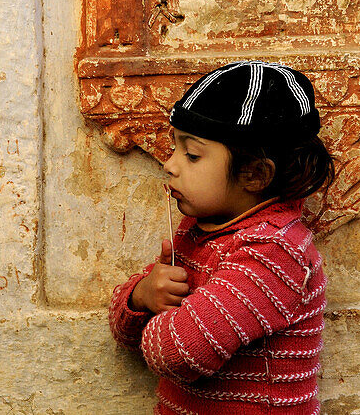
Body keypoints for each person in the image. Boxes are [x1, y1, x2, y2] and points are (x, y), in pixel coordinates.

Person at [109, 60, 335, 415]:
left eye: (192, 154)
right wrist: (143, 295)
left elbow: (178, 353)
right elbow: (124, 332)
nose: (170, 164)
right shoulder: (200, 229)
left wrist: (159, 317)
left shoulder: (274, 251)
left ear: (255, 174)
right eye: (174, 148)